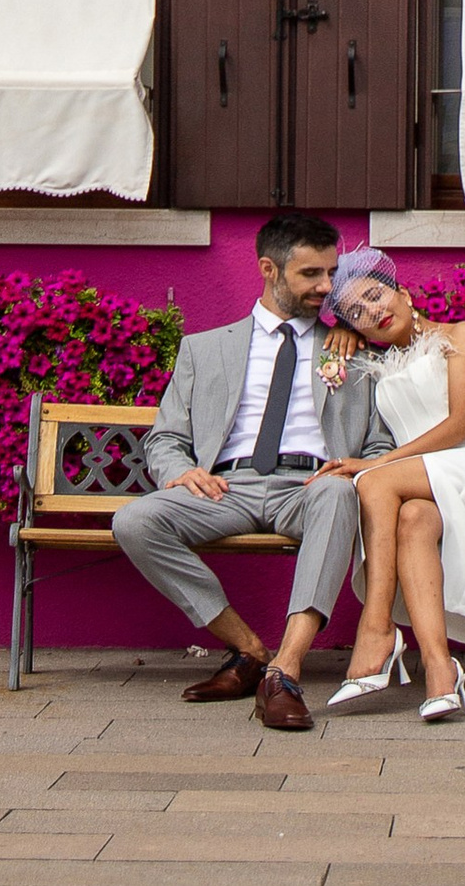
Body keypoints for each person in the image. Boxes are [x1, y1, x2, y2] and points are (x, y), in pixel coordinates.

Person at [111, 213, 379, 734]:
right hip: (224, 487)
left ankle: (285, 671)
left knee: (339, 495)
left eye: (330, 272)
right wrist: (182, 471)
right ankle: (249, 650)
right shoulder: (204, 349)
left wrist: (354, 466)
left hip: (309, 486)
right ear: (268, 270)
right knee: (135, 522)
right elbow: (165, 437)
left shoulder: (352, 349)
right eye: (310, 275)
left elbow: (381, 442)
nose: (326, 286)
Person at [316, 247, 465, 722]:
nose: (374, 312)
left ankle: (376, 630)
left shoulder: (462, 336)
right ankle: (442, 673)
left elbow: (462, 426)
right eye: (358, 311)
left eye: (377, 296)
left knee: (374, 483)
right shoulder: (381, 371)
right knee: (414, 518)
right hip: (434, 484)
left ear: (403, 293)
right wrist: (339, 327)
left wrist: (370, 467)